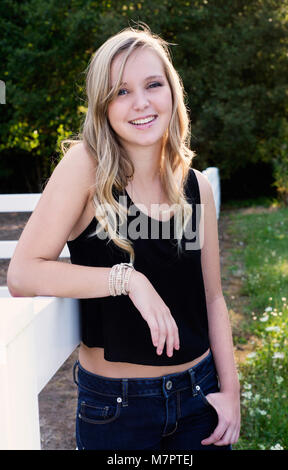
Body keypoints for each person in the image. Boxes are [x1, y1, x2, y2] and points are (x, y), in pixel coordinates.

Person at [7, 24, 240, 451]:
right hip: (118, 411)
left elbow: (213, 299)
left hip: (200, 399)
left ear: (172, 92)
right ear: (103, 105)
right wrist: (128, 280)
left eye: (153, 85)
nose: (142, 103)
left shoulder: (195, 187)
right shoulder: (86, 169)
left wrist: (232, 392)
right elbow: (22, 273)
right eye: (121, 91)